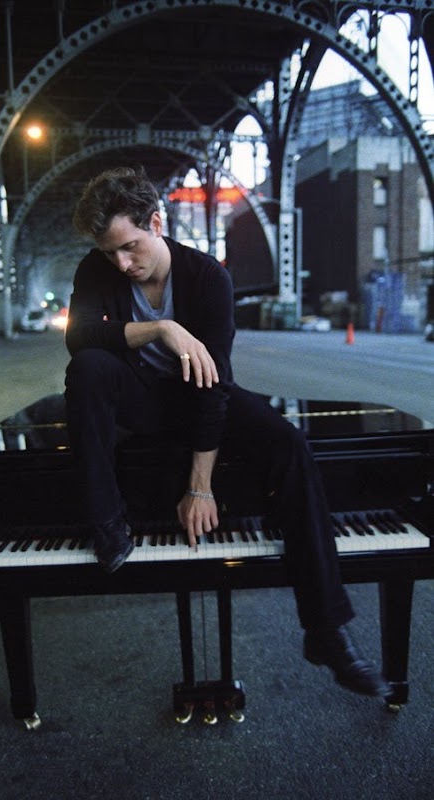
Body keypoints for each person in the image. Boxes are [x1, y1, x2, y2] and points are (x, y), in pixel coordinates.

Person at [64, 166, 389, 698]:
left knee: (290, 444)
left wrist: (200, 486)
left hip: (201, 392)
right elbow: (79, 337)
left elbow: (213, 389)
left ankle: (326, 629)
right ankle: (106, 522)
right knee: (88, 369)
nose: (121, 263)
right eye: (109, 252)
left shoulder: (207, 277)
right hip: (139, 398)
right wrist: (163, 328)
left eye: (129, 246)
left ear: (156, 223)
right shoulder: (96, 271)